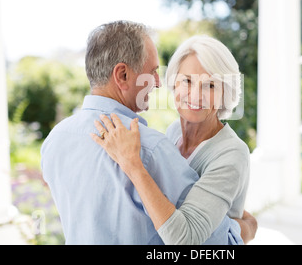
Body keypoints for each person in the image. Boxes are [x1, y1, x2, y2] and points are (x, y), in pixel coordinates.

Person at [41, 20, 256, 244]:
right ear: (122, 75)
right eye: (187, 81)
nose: (156, 83)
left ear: (225, 92)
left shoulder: (56, 138)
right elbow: (201, 239)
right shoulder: (155, 145)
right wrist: (243, 229)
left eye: (211, 85)